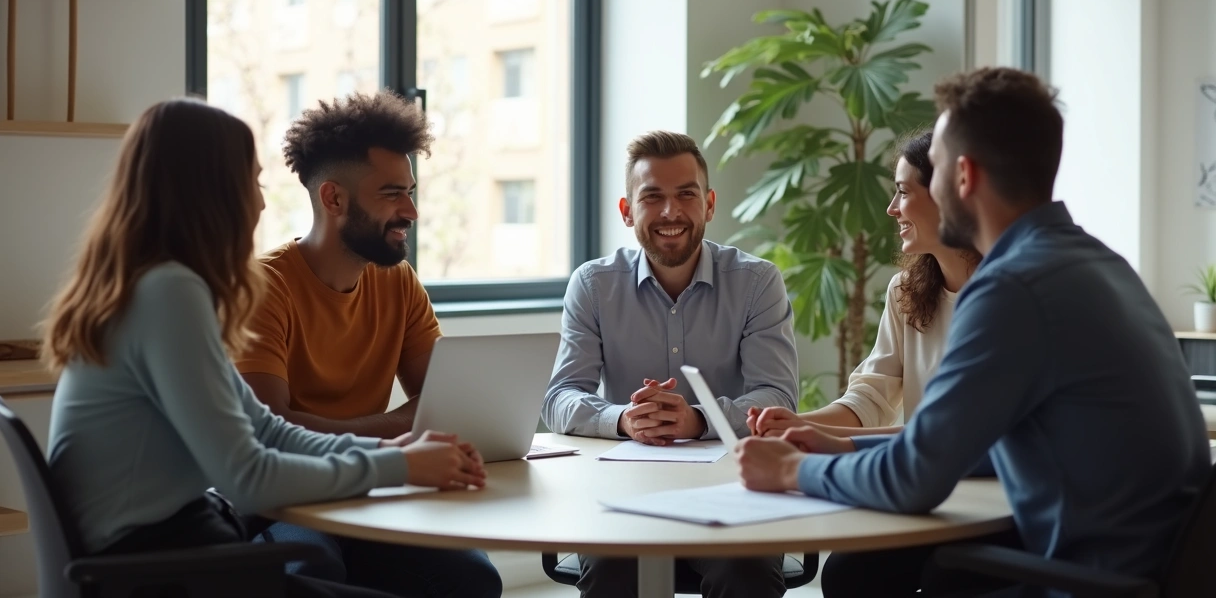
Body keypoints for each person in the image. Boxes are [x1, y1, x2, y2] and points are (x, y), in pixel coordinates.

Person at [736, 67, 1211, 598]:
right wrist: (844, 447)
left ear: (963, 176)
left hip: (1095, 582)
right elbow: (976, 446)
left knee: (874, 576)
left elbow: (913, 480)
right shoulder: (1099, 264)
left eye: (935, 168)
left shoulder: (1013, 288)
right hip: (1148, 568)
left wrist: (793, 471)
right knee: (884, 570)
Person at [42, 98, 487, 598]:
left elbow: (265, 428)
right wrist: (399, 465)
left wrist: (388, 450)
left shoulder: (155, 287)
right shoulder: (169, 294)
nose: (260, 204)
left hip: (174, 544)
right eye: (252, 183)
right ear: (211, 191)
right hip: (156, 566)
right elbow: (248, 477)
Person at [234, 90, 501, 596]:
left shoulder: (398, 281)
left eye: (411, 192)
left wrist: (391, 439)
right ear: (334, 199)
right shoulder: (262, 288)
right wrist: (397, 437)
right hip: (288, 496)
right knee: (310, 571)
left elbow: (444, 406)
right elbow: (270, 430)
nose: (411, 211)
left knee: (472, 578)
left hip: (372, 488)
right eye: (392, 194)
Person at [542, 130, 801, 598]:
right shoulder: (593, 285)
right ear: (627, 211)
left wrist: (697, 419)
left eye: (686, 194)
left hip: (733, 494)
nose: (670, 212)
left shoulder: (757, 282)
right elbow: (559, 397)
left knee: (747, 576)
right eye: (652, 197)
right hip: (624, 495)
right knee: (611, 574)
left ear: (709, 204)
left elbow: (778, 397)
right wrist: (622, 418)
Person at [748, 130, 981, 441]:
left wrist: (821, 438)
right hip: (921, 469)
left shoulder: (1007, 295)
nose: (892, 208)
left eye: (903, 192)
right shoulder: (905, 291)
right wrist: (793, 423)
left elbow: (951, 433)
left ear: (946, 196)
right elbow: (870, 399)